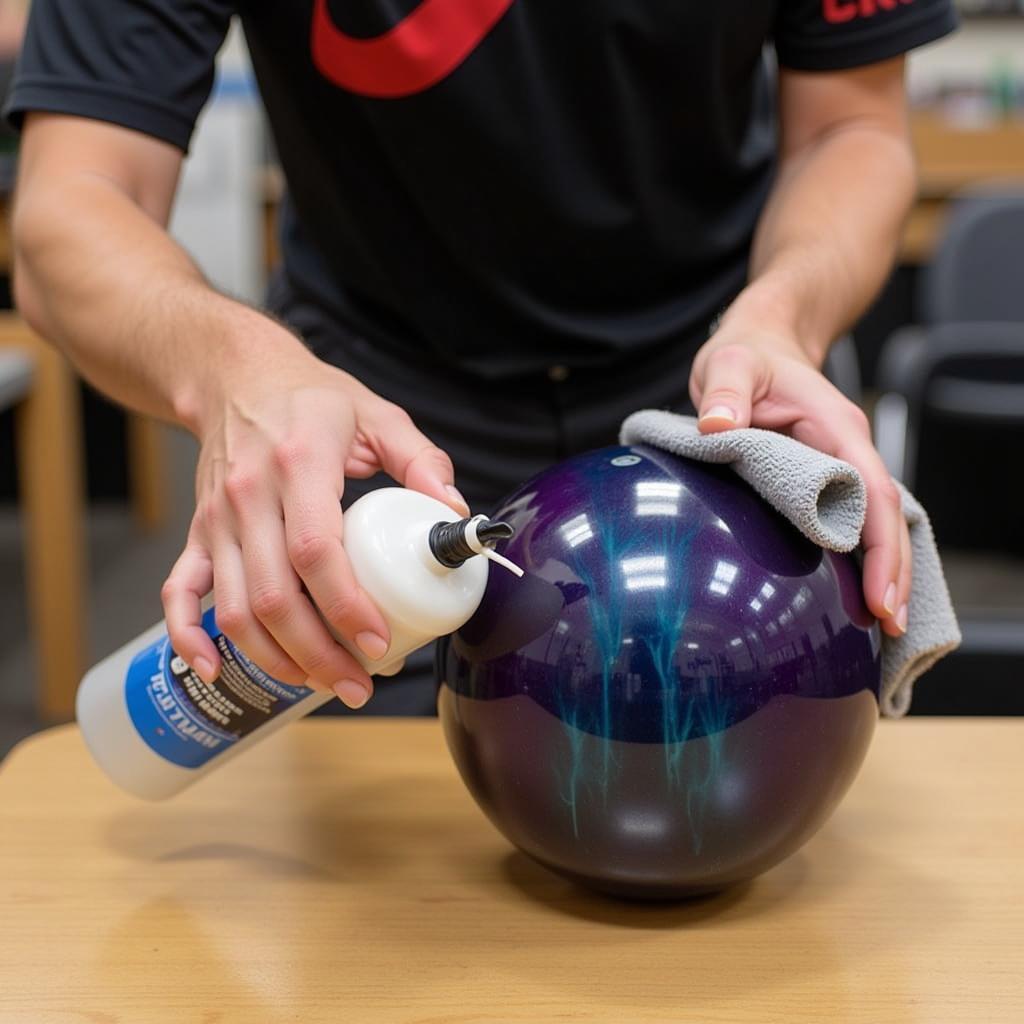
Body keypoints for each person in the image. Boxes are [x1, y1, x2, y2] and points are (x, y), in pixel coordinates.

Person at [5, 0, 955, 715]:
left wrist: (782, 316)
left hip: (715, 400)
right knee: (370, 903)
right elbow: (71, 208)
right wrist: (234, 366)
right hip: (371, 423)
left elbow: (852, 127)